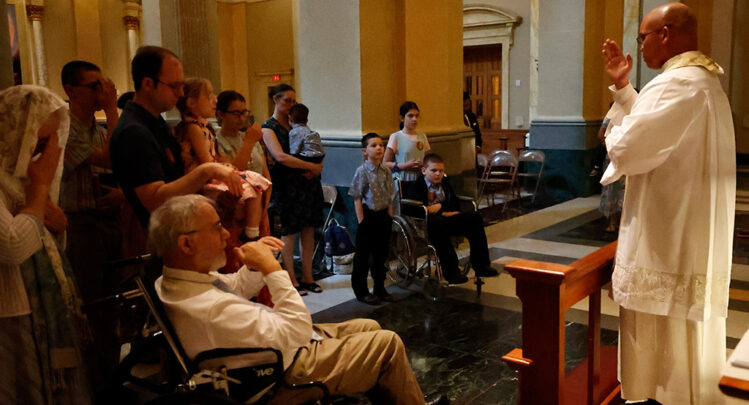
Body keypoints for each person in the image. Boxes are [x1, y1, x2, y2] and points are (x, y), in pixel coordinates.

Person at [149, 195, 448, 405]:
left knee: (368, 326)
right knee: (387, 344)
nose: (226, 234)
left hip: (269, 351)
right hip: (279, 376)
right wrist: (272, 270)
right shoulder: (209, 309)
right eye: (216, 227)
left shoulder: (176, 280)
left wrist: (255, 265)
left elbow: (234, 287)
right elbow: (297, 330)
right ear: (186, 243)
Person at [601, 3, 735, 403]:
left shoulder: (675, 84)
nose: (638, 47)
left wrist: (613, 136)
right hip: (689, 232)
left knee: (664, 340)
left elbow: (628, 147)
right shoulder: (703, 82)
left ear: (666, 34)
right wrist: (624, 89)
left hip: (666, 240)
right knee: (688, 335)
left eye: (642, 37)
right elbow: (653, 125)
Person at [0, 85, 93, 404]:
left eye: (51, 143)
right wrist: (40, 188)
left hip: (37, 305)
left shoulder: (23, 178)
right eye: (38, 142)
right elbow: (13, 247)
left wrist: (59, 226)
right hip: (9, 314)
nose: (43, 154)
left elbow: (45, 240)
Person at [110, 46, 243, 240]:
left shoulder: (155, 122)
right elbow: (155, 200)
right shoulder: (134, 131)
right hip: (159, 237)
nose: (181, 93)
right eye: (174, 86)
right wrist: (207, 170)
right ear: (148, 83)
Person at [59, 60, 124, 390]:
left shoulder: (96, 130)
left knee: (112, 305)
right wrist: (113, 109)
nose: (104, 91)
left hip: (105, 220)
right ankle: (97, 384)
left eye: (105, 85)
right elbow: (114, 157)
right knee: (93, 305)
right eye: (95, 86)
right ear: (70, 91)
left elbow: (118, 167)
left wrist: (119, 195)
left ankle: (111, 376)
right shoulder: (64, 128)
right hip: (78, 223)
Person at [174, 78, 270, 242]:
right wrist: (224, 166)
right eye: (236, 113)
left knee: (256, 183)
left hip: (247, 202)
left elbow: (263, 171)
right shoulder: (195, 129)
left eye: (244, 112)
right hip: (209, 182)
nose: (215, 99)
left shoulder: (205, 127)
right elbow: (207, 162)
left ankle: (252, 231)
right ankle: (250, 233)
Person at [261, 84, 324, 295]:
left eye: (293, 101)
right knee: (289, 233)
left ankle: (308, 276)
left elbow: (311, 149)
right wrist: (312, 167)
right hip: (287, 186)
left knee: (309, 231)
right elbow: (281, 157)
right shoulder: (268, 127)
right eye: (287, 100)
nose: (290, 105)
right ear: (275, 100)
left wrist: (317, 166)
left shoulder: (296, 124)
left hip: (307, 185)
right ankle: (291, 279)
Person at [406, 153, 498, 285]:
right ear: (424, 170)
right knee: (437, 223)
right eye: (434, 170)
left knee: (475, 218)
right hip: (427, 223)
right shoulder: (417, 186)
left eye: (441, 171)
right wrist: (438, 211)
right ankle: (451, 271)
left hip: (445, 218)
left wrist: (441, 207)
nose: (438, 174)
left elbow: (454, 204)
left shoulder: (445, 183)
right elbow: (412, 209)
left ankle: (481, 265)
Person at [349, 133, 396, 305]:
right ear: (364, 151)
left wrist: (389, 215)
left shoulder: (386, 170)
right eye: (373, 145)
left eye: (381, 145)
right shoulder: (362, 171)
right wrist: (361, 220)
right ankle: (361, 290)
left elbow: (390, 194)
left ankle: (379, 286)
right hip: (368, 216)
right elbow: (357, 196)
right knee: (363, 255)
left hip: (383, 215)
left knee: (381, 253)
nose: (378, 148)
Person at [384, 101, 430, 194]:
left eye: (417, 116)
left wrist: (424, 165)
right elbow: (385, 163)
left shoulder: (422, 136)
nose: (414, 119)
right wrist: (403, 166)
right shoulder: (396, 136)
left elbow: (428, 160)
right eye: (410, 116)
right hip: (403, 181)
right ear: (402, 118)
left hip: (420, 180)